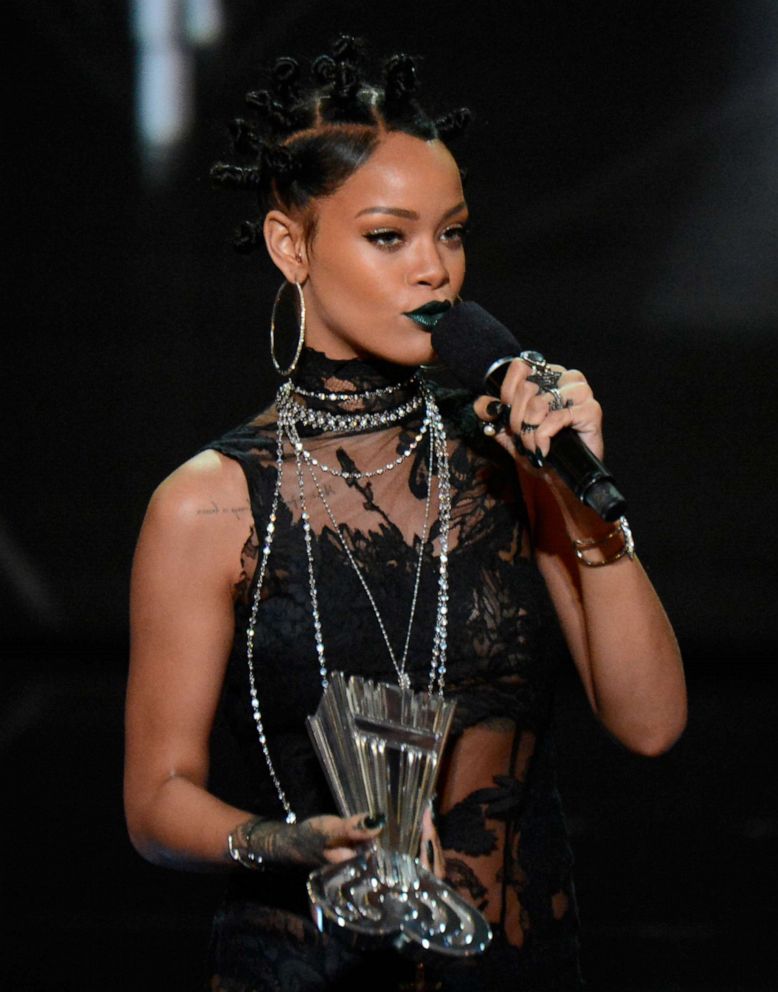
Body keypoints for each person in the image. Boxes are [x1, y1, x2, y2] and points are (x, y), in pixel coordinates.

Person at [124, 36, 686, 992]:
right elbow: (155, 800)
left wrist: (579, 493)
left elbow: (650, 724)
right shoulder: (208, 503)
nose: (435, 271)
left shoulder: (506, 460)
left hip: (518, 963)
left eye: (453, 233)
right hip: (306, 965)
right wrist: (290, 841)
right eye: (389, 236)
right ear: (289, 246)